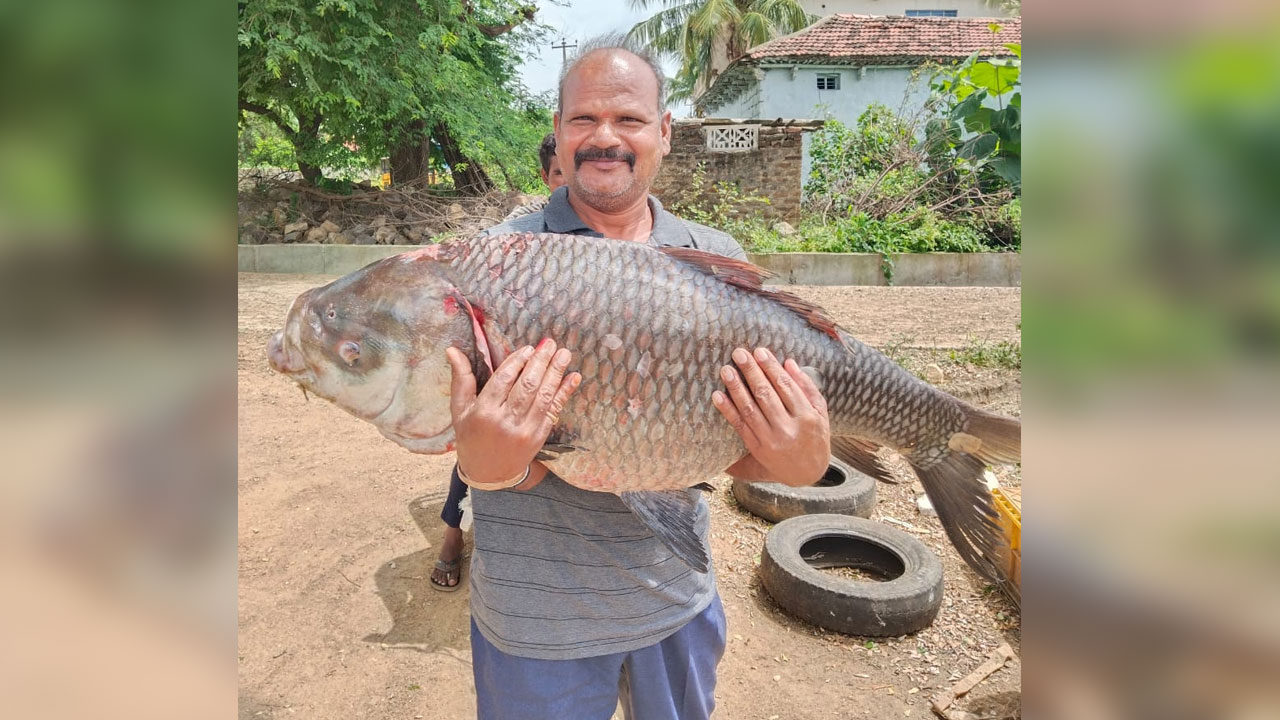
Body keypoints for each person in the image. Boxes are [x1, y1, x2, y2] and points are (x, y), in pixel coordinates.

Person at [442, 35, 832, 719]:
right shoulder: (500, 262)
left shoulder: (717, 258)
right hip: (535, 627)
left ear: (664, 133)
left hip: (676, 604)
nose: (604, 137)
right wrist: (487, 465)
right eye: (583, 119)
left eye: (627, 119)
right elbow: (466, 422)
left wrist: (796, 462)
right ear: (557, 135)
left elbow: (741, 450)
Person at [430, 132, 568, 591]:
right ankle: (452, 537)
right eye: (558, 175)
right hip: (504, 381)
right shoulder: (513, 238)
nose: (566, 182)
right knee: (474, 445)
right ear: (545, 177)